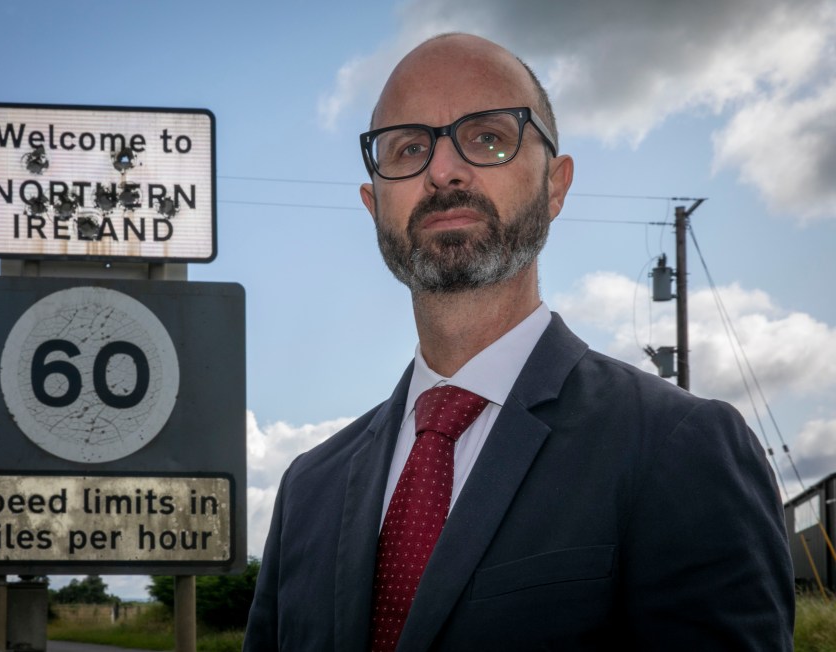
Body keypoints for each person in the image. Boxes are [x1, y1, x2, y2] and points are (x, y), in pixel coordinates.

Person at [244, 33, 794, 651]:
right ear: (374, 204)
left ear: (554, 185)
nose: (443, 170)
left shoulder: (681, 449)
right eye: (408, 148)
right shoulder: (307, 490)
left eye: (488, 138)